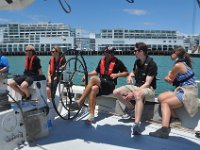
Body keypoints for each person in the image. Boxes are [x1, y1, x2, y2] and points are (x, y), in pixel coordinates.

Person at [69, 46, 129, 123]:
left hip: (110, 85)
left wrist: (116, 75)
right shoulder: (102, 61)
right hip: (102, 84)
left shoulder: (117, 62)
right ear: (105, 53)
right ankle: (91, 116)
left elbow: (126, 73)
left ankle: (80, 102)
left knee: (93, 79)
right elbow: (96, 71)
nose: (110, 54)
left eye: (112, 53)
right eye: (108, 53)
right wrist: (87, 74)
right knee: (94, 89)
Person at [149, 46, 198, 139]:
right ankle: (175, 119)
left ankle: (164, 130)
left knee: (165, 103)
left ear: (175, 53)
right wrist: (170, 74)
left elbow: (169, 79)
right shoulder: (182, 63)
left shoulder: (178, 65)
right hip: (183, 89)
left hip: (188, 92)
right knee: (160, 97)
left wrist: (168, 74)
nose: (170, 54)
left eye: (172, 52)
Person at [113, 42, 158, 136]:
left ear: (141, 51)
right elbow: (133, 72)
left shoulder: (152, 64)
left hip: (148, 89)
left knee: (138, 94)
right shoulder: (137, 62)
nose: (134, 52)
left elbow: (147, 84)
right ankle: (131, 108)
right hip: (137, 86)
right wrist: (130, 76)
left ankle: (137, 124)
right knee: (116, 92)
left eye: (135, 51)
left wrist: (133, 93)